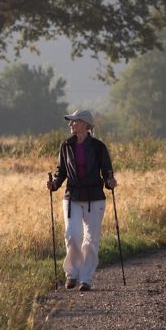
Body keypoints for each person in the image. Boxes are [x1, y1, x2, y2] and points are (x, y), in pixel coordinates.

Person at [46, 109, 117, 291]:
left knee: (92, 239)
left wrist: (110, 181)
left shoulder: (98, 147)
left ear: (85, 124)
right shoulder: (66, 146)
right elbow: (61, 171)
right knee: (72, 235)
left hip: (95, 197)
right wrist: (54, 184)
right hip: (73, 196)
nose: (71, 124)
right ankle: (72, 274)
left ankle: (85, 278)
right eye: (71, 122)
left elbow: (107, 171)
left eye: (74, 121)